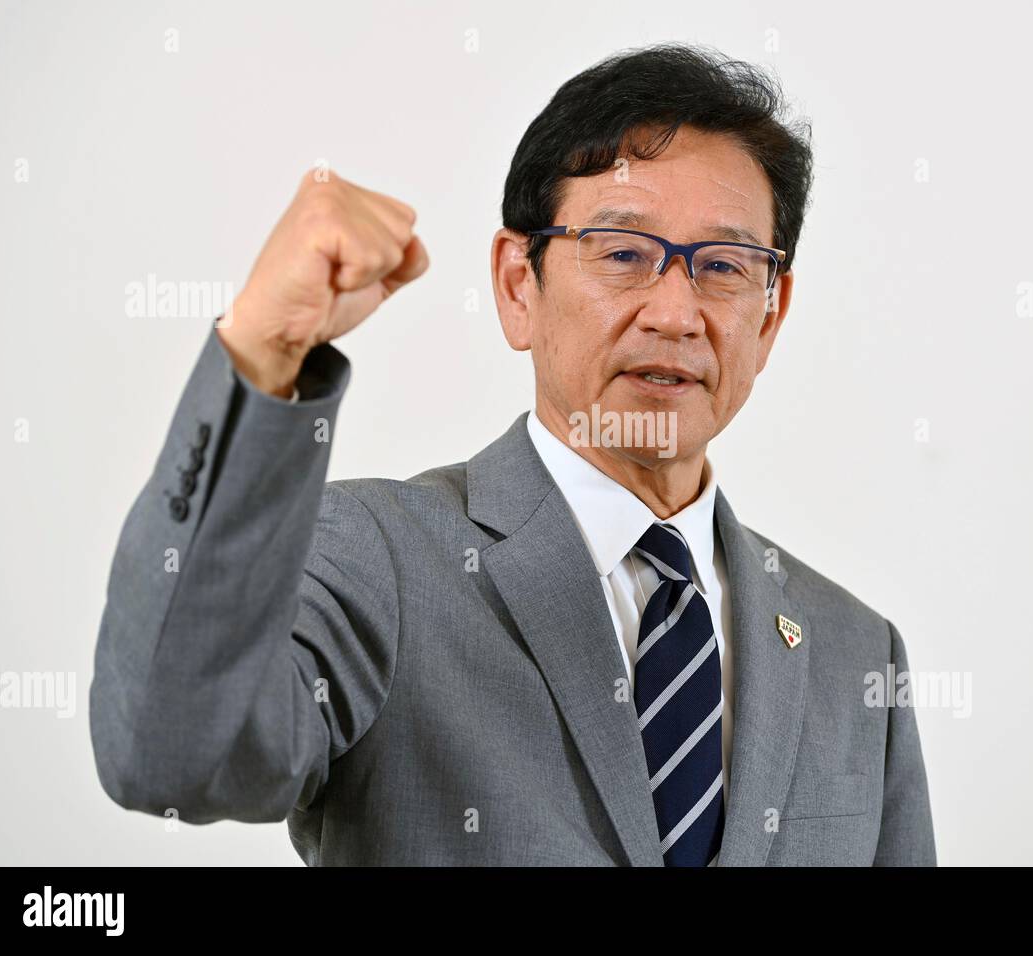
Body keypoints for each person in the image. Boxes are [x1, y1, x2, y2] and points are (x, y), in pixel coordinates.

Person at [89, 41, 936, 866]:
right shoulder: (380, 561)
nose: (676, 313)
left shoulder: (857, 651)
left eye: (722, 265)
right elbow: (168, 755)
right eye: (625, 254)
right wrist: (263, 350)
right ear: (516, 284)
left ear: (770, 314)